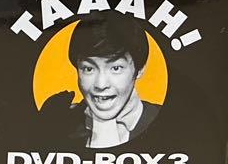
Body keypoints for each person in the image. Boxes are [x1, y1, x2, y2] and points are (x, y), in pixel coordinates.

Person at [39, 11, 160, 148]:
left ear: (140, 69)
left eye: (116, 68)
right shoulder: (55, 123)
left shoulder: (168, 121)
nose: (101, 85)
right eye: (89, 69)